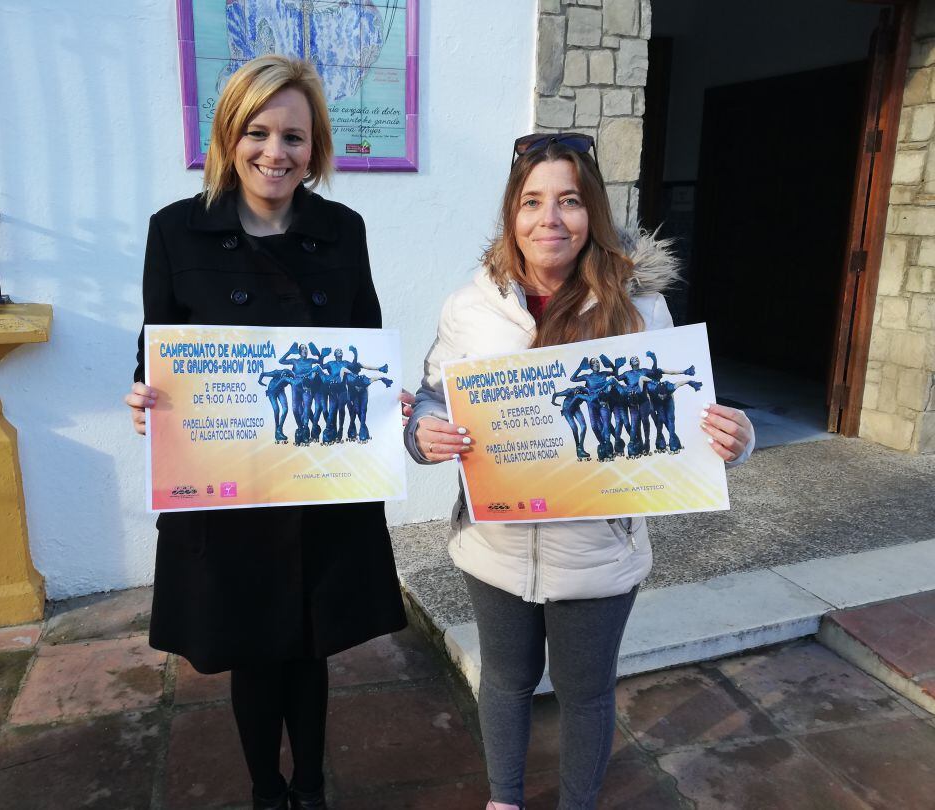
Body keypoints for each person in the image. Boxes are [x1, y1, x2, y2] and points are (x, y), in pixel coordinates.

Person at [404, 133, 755, 810]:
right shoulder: (470, 307)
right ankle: (504, 799)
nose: (550, 219)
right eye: (533, 201)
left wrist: (731, 438)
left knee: (586, 691)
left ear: (592, 210)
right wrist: (423, 432)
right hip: (494, 545)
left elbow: (688, 411)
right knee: (505, 682)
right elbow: (428, 397)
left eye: (569, 200)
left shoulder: (639, 307)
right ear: (512, 213)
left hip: (598, 549)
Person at [124, 55, 410, 810]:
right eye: (257, 131)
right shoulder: (176, 231)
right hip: (230, 493)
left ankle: (311, 789)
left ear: (315, 147)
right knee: (253, 649)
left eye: (294, 135)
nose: (275, 152)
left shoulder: (342, 231)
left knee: (310, 646)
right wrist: (143, 395)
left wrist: (388, 396)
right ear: (229, 134)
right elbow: (156, 346)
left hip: (320, 481)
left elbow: (364, 342)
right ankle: (266, 790)